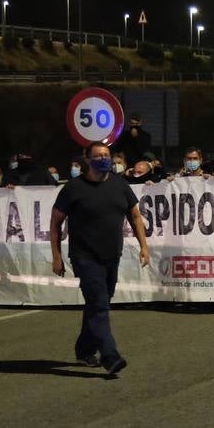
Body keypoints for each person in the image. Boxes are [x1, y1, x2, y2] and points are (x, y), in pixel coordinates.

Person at [50, 141, 151, 375]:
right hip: (84, 257)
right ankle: (110, 355)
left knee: (98, 304)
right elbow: (56, 223)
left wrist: (144, 246)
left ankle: (85, 348)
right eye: (98, 156)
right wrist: (56, 256)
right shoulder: (74, 189)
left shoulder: (120, 185)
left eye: (106, 155)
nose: (104, 159)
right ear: (88, 160)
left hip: (111, 255)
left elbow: (135, 217)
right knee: (99, 305)